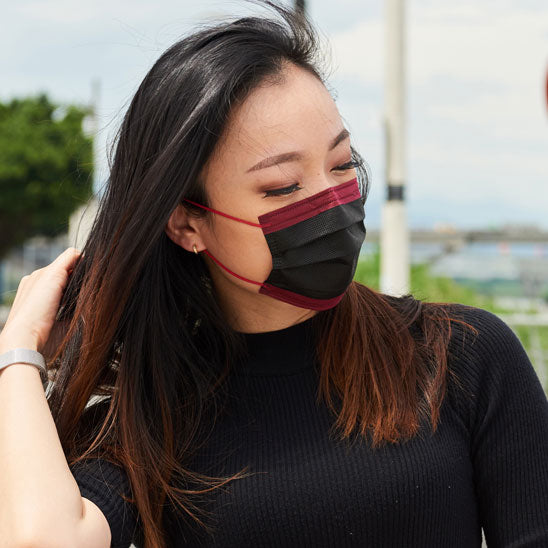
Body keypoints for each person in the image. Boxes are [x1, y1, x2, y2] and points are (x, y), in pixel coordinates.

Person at [1, 1, 547, 547]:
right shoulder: (148, 427)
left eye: (342, 164)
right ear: (188, 223)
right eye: (283, 186)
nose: (330, 201)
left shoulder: (458, 357)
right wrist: (17, 353)